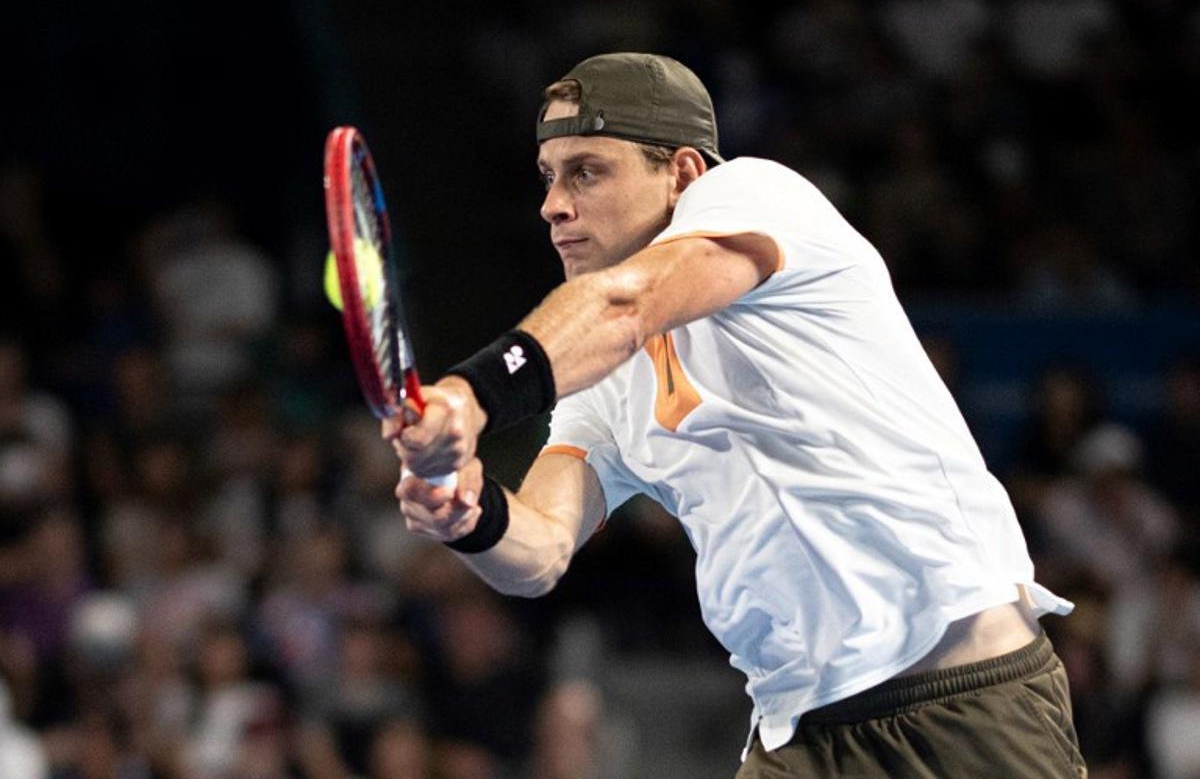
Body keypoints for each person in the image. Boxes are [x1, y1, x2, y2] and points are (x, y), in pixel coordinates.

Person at [382, 53, 1083, 777]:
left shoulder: (760, 197)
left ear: (684, 174)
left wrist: (469, 396)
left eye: (587, 171)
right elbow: (540, 552)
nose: (553, 204)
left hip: (961, 703)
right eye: (548, 176)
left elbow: (624, 306)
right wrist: (467, 512)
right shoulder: (601, 381)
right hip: (798, 737)